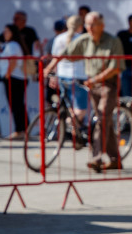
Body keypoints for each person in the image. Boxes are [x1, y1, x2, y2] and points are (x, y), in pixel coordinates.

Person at [45, 12, 125, 171]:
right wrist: (49, 68)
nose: (90, 28)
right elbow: (65, 53)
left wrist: (96, 79)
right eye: (88, 25)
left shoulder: (113, 41)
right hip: (92, 84)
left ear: (102, 26)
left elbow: (115, 67)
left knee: (102, 118)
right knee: (105, 121)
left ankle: (96, 158)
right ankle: (115, 159)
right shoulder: (84, 39)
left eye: (93, 25)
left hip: (108, 84)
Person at [49, 15, 89, 126]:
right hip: (79, 76)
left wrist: (53, 75)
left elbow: (54, 58)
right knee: (80, 109)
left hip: (62, 75)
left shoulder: (58, 38)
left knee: (69, 106)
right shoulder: (83, 39)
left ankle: (71, 128)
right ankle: (69, 125)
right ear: (81, 26)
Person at [0, 24, 28, 141]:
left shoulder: (13, 45)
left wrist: (7, 74)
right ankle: (22, 129)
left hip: (14, 78)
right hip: (15, 77)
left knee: (16, 105)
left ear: (13, 33)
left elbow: (14, 61)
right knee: (17, 105)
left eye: (7, 31)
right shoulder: (11, 45)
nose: (4, 33)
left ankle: (20, 130)